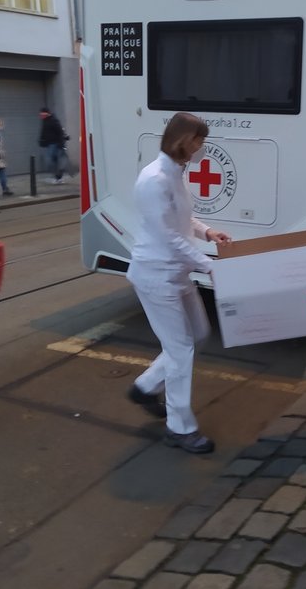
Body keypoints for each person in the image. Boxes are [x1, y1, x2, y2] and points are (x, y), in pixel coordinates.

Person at [126, 112, 232, 454]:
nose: (202, 148)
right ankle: (180, 427)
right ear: (183, 140)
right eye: (199, 141)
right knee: (180, 350)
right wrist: (208, 265)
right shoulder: (154, 179)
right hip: (157, 275)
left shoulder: (175, 174)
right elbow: (167, 235)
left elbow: (182, 220)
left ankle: (144, 387)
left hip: (176, 272)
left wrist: (206, 231)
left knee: (198, 335)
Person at [38, 107, 68, 184]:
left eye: (42, 114)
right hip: (49, 144)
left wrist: (61, 144)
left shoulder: (53, 121)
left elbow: (60, 132)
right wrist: (41, 140)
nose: (41, 116)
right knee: (52, 161)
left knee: (53, 161)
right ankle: (58, 176)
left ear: (46, 114)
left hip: (55, 144)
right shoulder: (45, 121)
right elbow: (44, 132)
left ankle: (59, 176)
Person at [0, 119, 14, 196]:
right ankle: (5, 189)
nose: (1, 126)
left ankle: (5, 189)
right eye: (0, 124)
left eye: (1, 124)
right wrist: (2, 154)